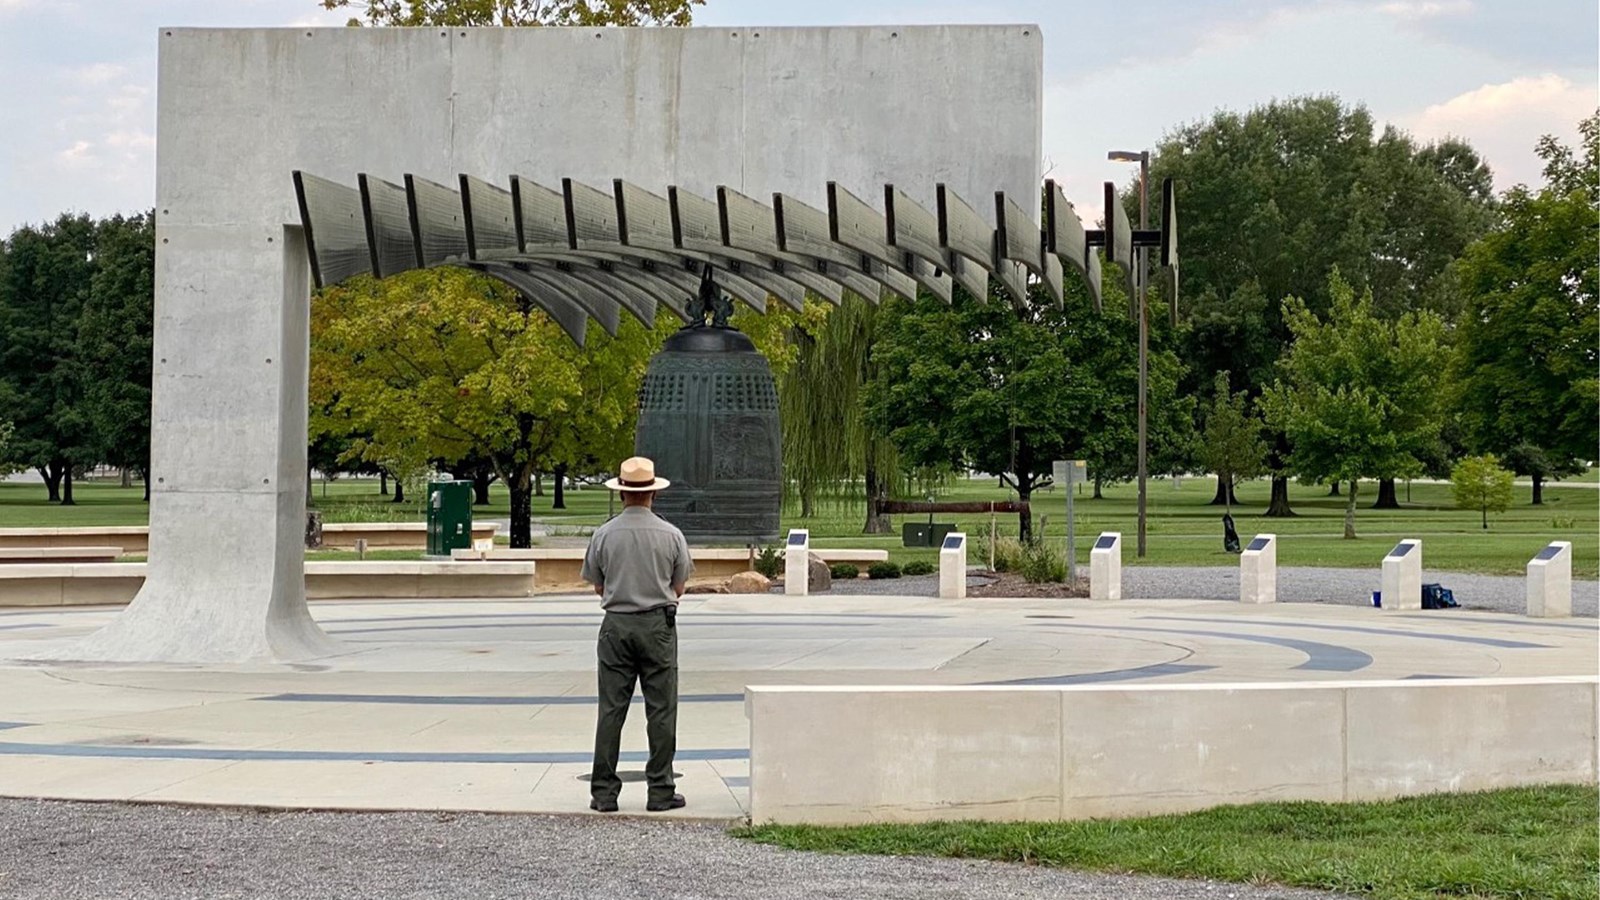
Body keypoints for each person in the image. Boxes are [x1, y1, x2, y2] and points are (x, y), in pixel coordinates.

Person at [580, 456, 693, 813]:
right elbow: (679, 586)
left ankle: (603, 792)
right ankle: (660, 789)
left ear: (622, 493)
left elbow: (598, 584)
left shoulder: (603, 534)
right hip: (657, 626)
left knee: (611, 709)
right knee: (661, 710)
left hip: (616, 625)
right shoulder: (671, 535)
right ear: (653, 494)